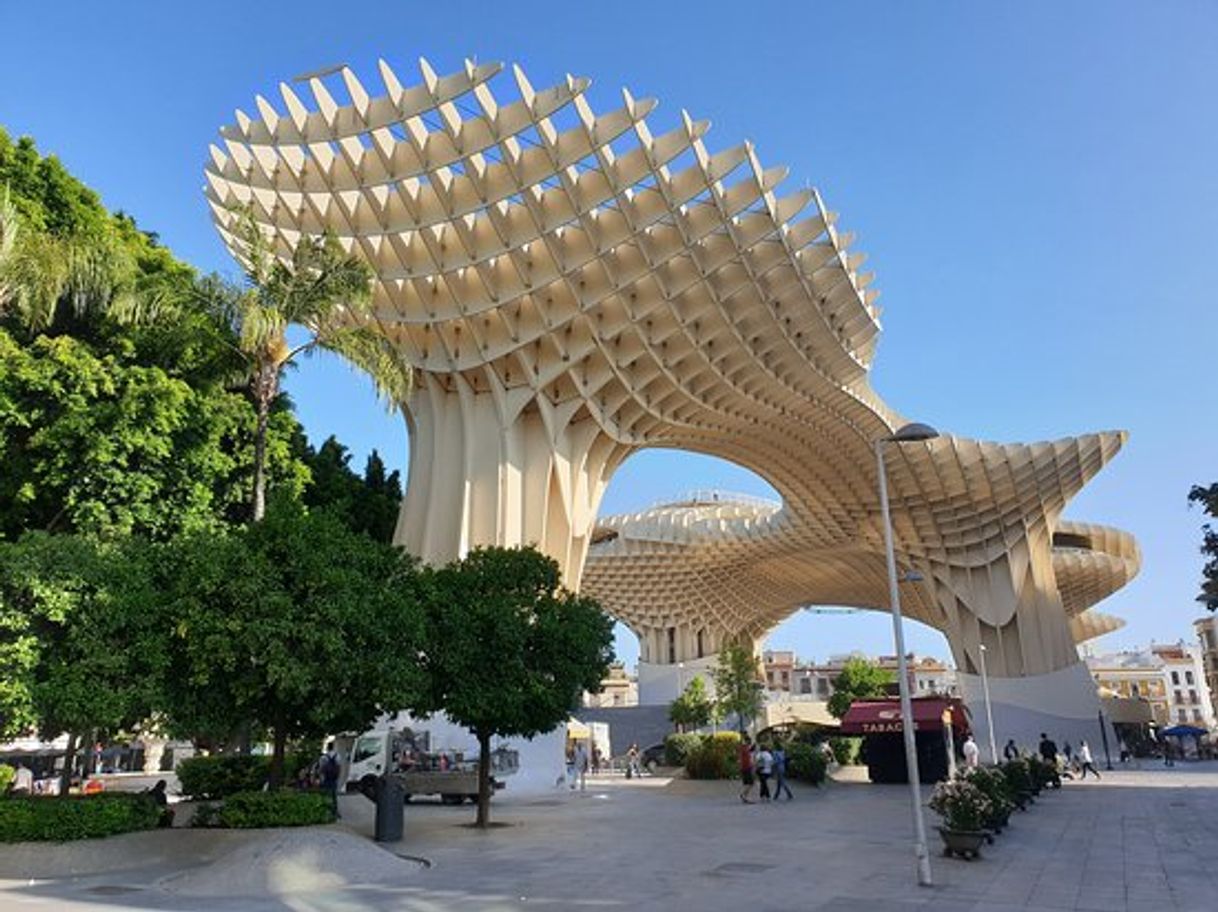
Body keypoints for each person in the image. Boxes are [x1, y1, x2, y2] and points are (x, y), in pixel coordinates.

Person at [320, 743, 341, 819]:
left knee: (326, 794)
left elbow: (321, 769)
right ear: (333, 747)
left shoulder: (324, 757)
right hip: (334, 778)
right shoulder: (337, 756)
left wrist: (321, 778)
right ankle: (335, 811)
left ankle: (326, 811)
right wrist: (338, 777)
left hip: (326, 778)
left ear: (327, 748)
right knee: (334, 795)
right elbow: (339, 767)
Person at [737, 737, 756, 803]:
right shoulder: (745, 749)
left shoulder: (743, 748)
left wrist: (751, 749)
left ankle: (745, 797)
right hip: (747, 768)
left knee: (746, 783)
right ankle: (744, 795)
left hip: (743, 768)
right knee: (751, 783)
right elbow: (747, 758)